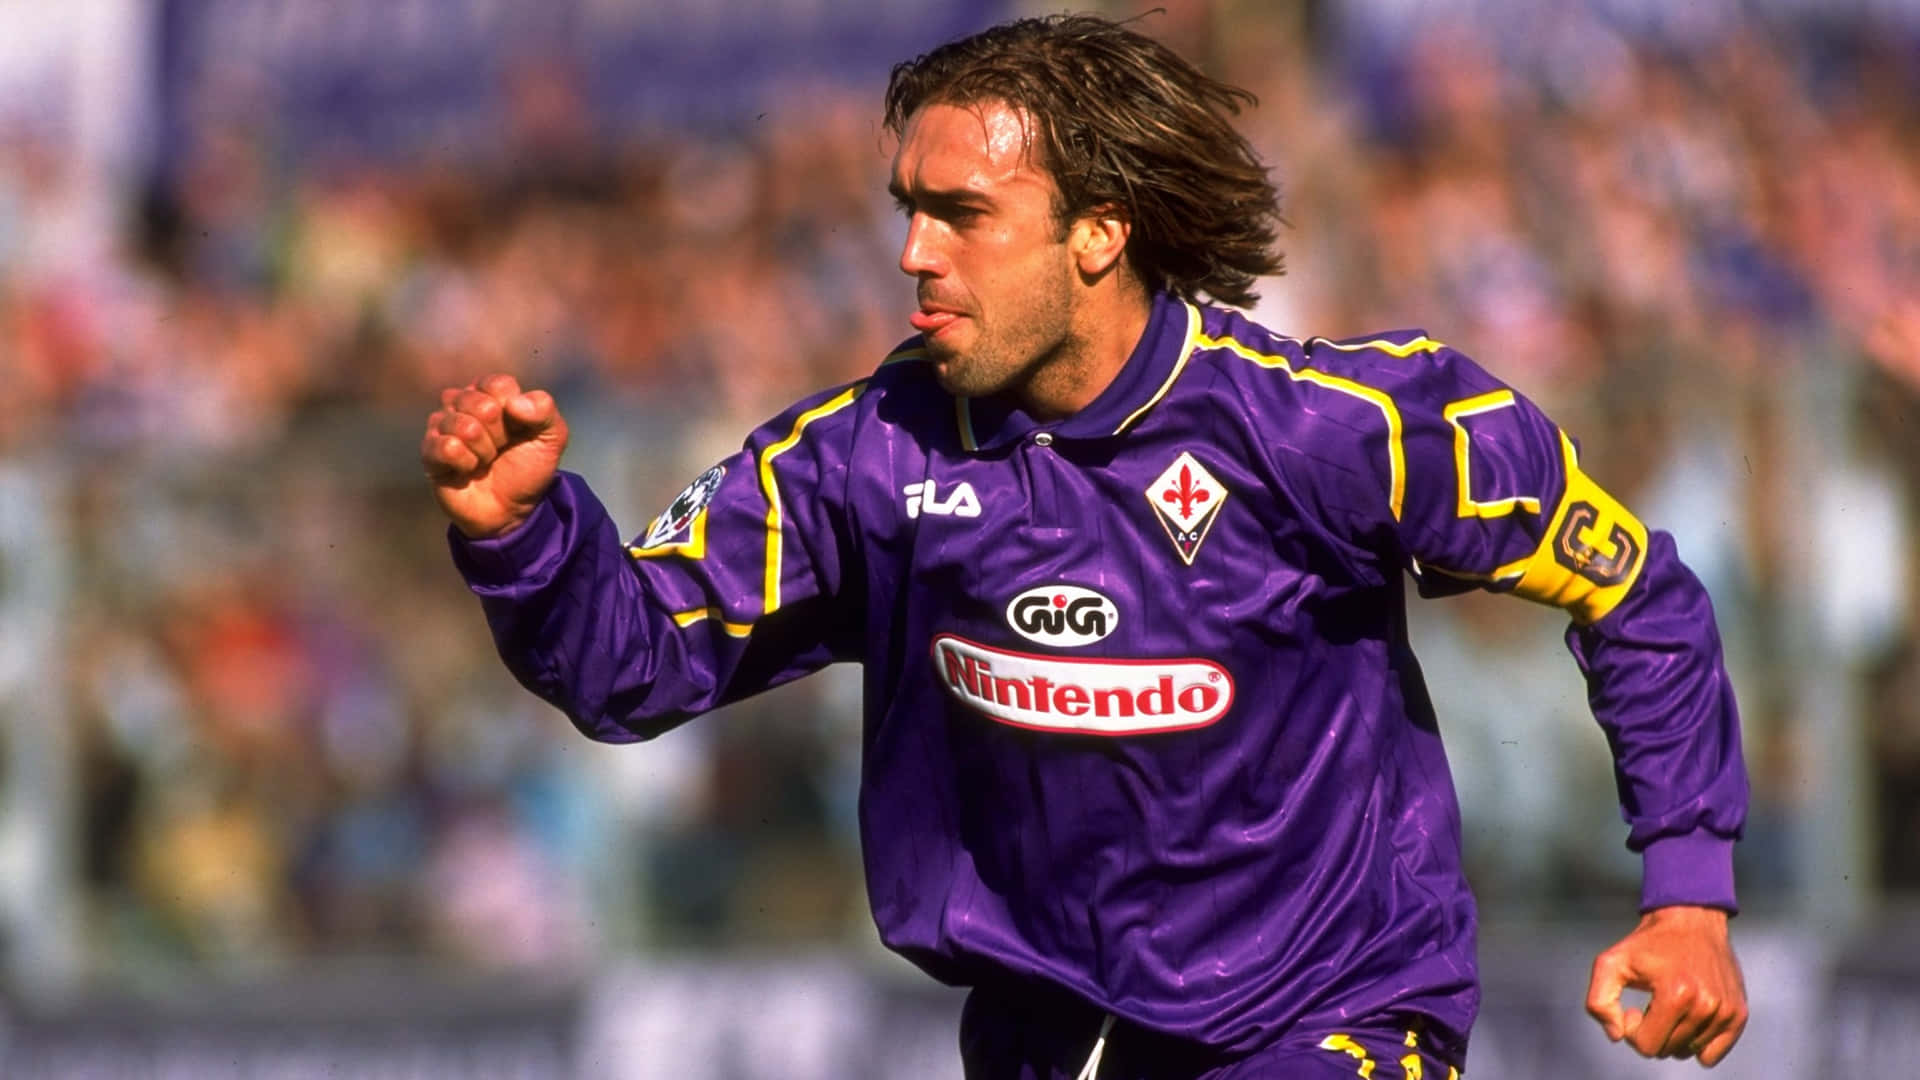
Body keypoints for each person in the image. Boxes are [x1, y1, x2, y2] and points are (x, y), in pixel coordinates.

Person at [421, 14, 1748, 1078]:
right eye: (906, 208)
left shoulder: (1334, 430)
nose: (912, 253)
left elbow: (1634, 588)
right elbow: (633, 667)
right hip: (1042, 1042)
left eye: (963, 213)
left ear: (1100, 232)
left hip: (1328, 1022)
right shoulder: (863, 459)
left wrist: (1687, 895)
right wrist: (526, 538)